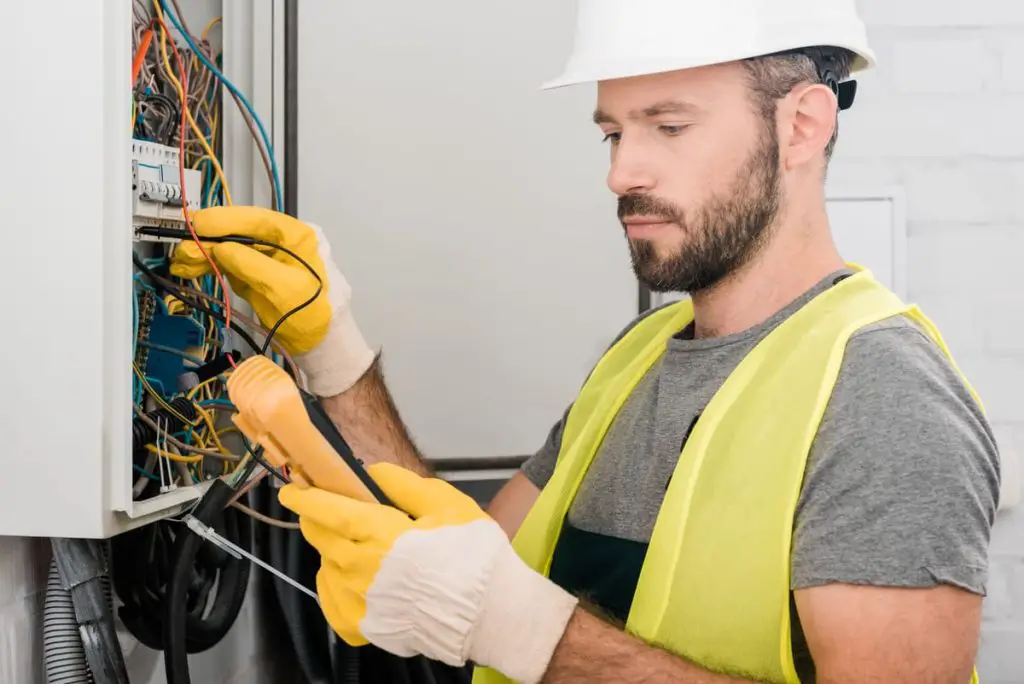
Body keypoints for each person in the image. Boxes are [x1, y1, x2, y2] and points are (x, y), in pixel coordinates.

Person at [170, 1, 1002, 682]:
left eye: (668, 127)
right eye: (613, 133)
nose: (621, 172)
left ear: (802, 126)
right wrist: (336, 356)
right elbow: (460, 567)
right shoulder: (640, 353)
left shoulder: (883, 398)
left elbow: (500, 613)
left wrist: (527, 632)